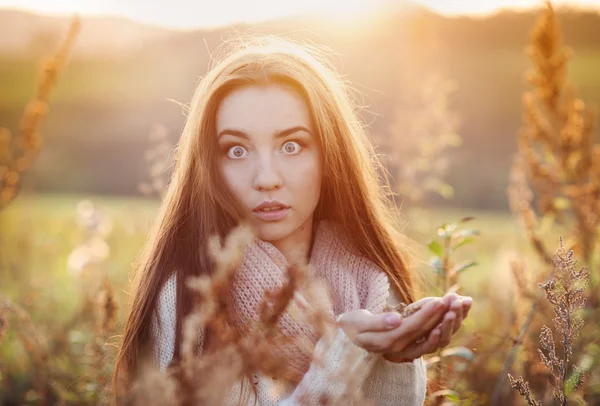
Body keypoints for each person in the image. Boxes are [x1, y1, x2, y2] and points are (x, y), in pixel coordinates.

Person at [112, 35, 473, 405]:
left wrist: (395, 356)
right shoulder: (188, 300)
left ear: (329, 155)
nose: (266, 177)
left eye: (291, 146)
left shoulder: (373, 288)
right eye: (236, 150)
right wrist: (346, 353)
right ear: (210, 167)